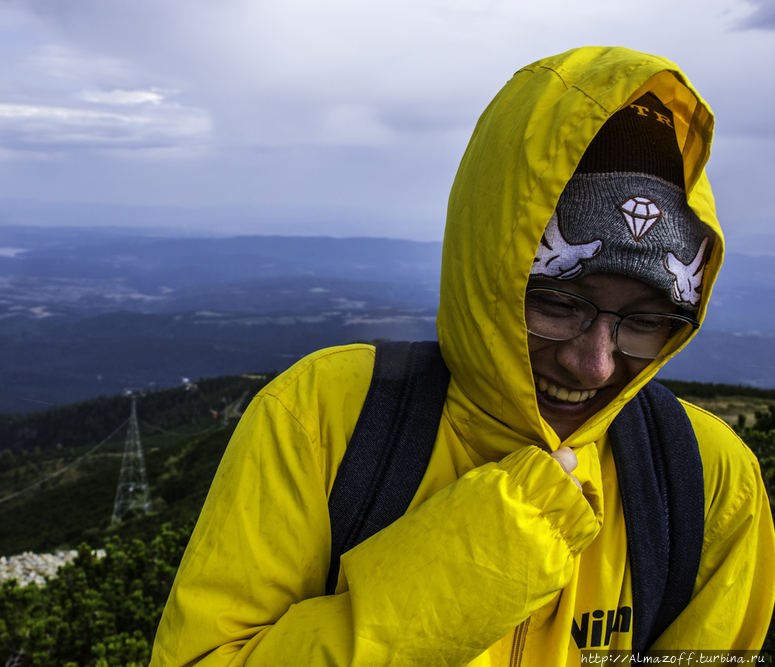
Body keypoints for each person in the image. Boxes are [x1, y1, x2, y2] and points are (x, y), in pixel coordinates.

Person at [149, 46, 775, 664]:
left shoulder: (707, 483)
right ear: (485, 276)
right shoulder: (323, 419)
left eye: (645, 321)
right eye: (558, 304)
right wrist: (479, 563)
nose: (596, 365)